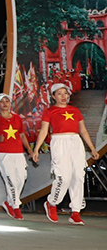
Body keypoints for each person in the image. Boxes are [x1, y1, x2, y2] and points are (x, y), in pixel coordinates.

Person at [31, 83, 101, 225]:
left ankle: (75, 212)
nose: (64, 96)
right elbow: (44, 131)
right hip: (59, 142)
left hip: (75, 142)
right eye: (59, 94)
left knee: (78, 176)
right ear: (53, 96)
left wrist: (92, 148)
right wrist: (36, 149)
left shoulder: (75, 110)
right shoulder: (50, 111)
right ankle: (52, 203)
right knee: (64, 177)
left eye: (65, 93)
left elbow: (83, 130)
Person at [0, 93, 34, 220]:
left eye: (7, 101)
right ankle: (16, 207)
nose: (5, 103)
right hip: (3, 153)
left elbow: (22, 135)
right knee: (11, 180)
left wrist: (30, 150)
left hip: (18, 153)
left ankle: (8, 202)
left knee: (21, 178)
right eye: (2, 101)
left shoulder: (17, 118)